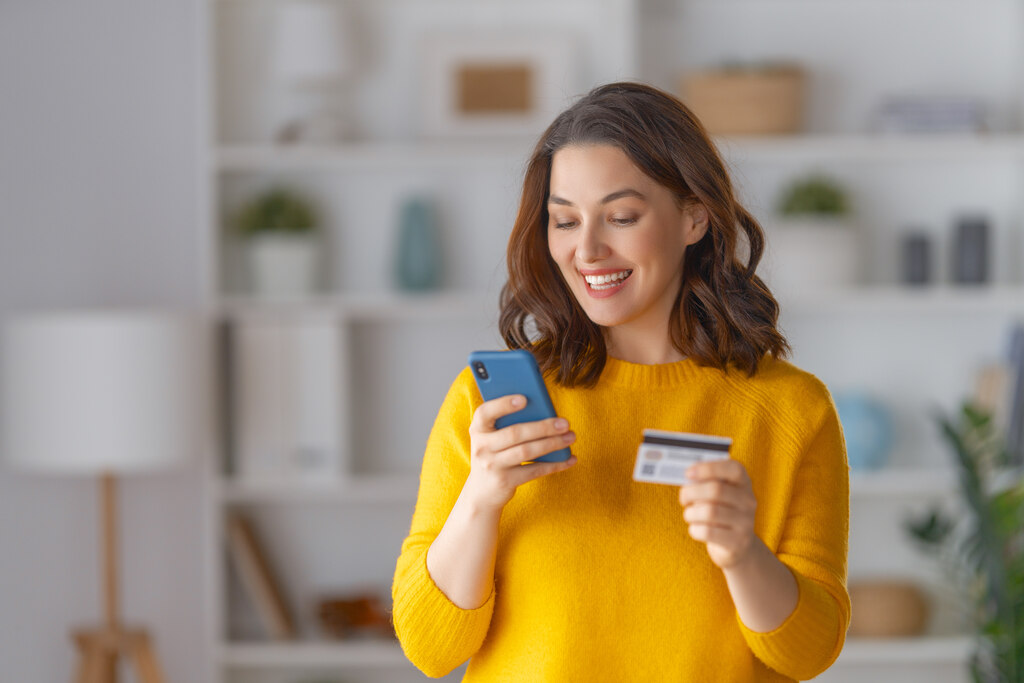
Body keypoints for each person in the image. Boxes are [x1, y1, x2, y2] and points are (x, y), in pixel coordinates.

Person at [392, 81, 850, 681]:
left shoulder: (790, 410)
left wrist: (743, 554)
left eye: (621, 217)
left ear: (694, 217)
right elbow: (429, 648)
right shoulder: (492, 408)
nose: (587, 250)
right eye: (564, 221)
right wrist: (480, 499)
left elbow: (810, 653)